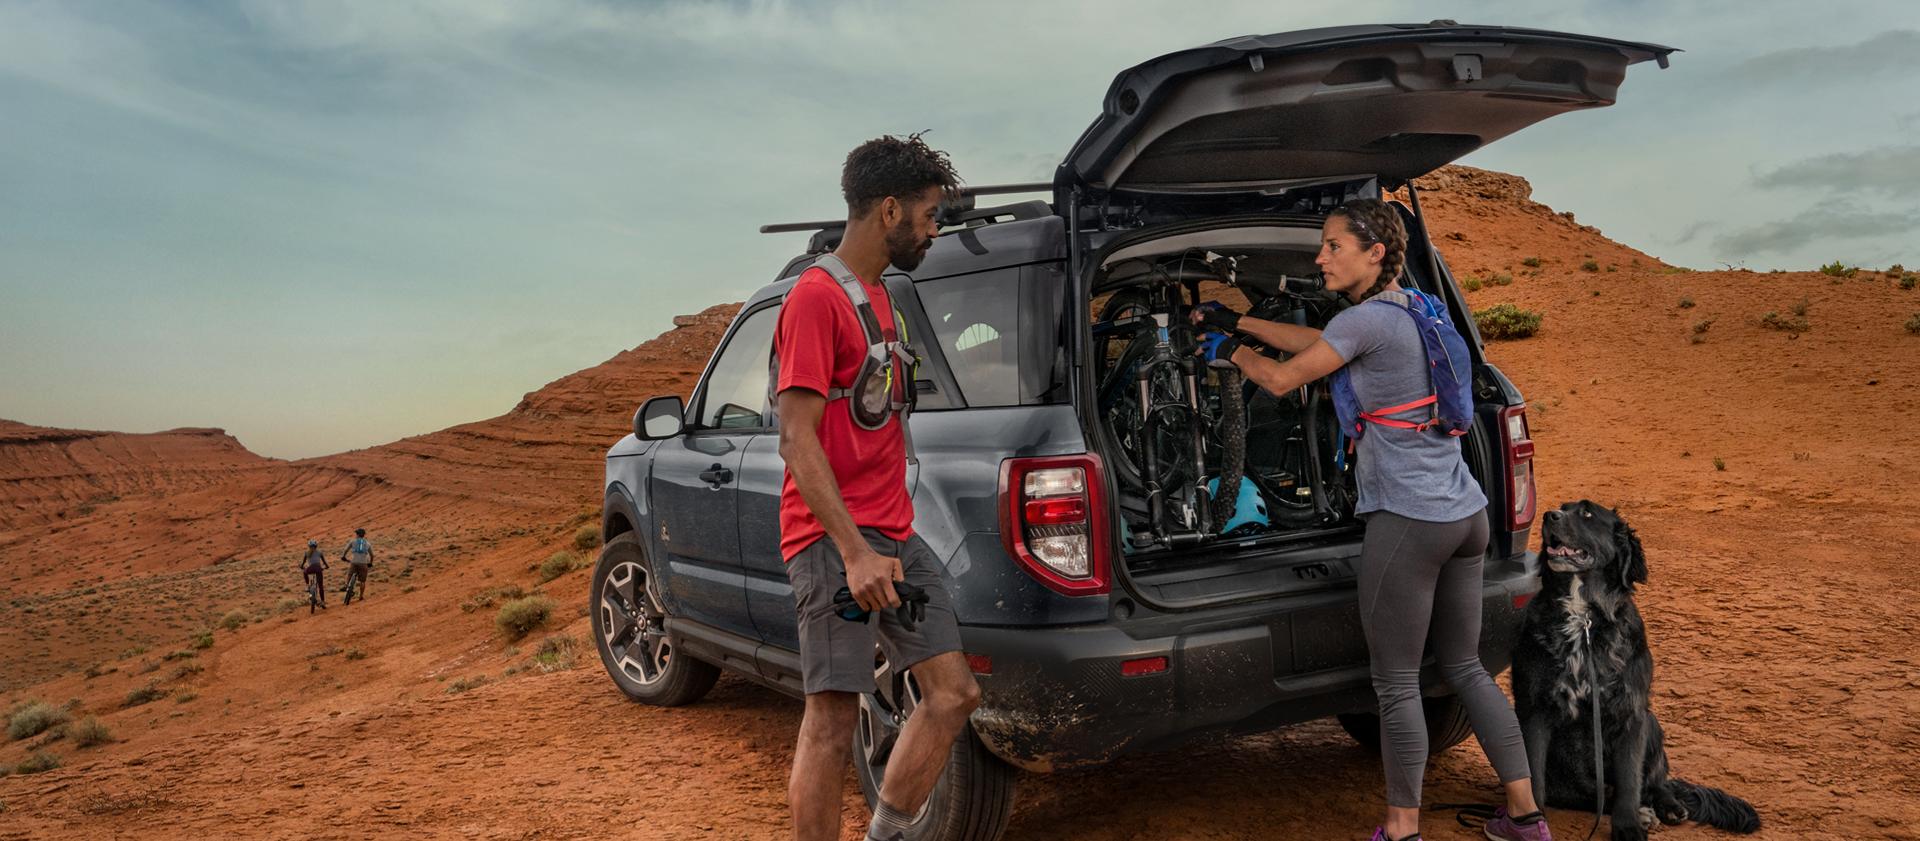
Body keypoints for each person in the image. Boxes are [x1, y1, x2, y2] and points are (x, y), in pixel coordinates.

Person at [1192, 198, 1548, 841]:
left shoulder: (1364, 321)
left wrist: (1229, 350)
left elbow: (1280, 381)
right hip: (1465, 513)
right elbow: (1324, 344)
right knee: (1464, 668)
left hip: (1409, 520)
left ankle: (1401, 829)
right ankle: (1526, 817)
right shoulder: (1415, 310)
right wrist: (1244, 321)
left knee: (1395, 682)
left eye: (1333, 245)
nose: (1320, 256)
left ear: (1375, 252)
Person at [772, 134, 980, 841]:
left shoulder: (881, 298)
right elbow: (797, 437)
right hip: (835, 545)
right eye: (926, 215)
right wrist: (854, 550)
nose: (933, 229)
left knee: (953, 693)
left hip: (894, 535)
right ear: (888, 208)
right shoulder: (814, 299)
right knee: (831, 721)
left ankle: (885, 833)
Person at [339, 528, 374, 602]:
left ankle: (347, 585)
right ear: (363, 535)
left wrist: (343, 556)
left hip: (354, 562)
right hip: (363, 563)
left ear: (357, 535)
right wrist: (370, 563)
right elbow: (372, 555)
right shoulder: (368, 543)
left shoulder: (353, 541)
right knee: (362, 581)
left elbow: (345, 550)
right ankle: (361, 596)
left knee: (350, 574)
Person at [300, 539, 329, 609]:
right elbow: (324, 562)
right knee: (320, 586)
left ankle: (307, 585)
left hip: (311, 569)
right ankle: (322, 602)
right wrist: (326, 567)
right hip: (318, 569)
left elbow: (303, 563)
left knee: (304, 572)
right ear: (316, 546)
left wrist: (302, 567)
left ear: (309, 546)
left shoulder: (306, 553)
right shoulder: (319, 552)